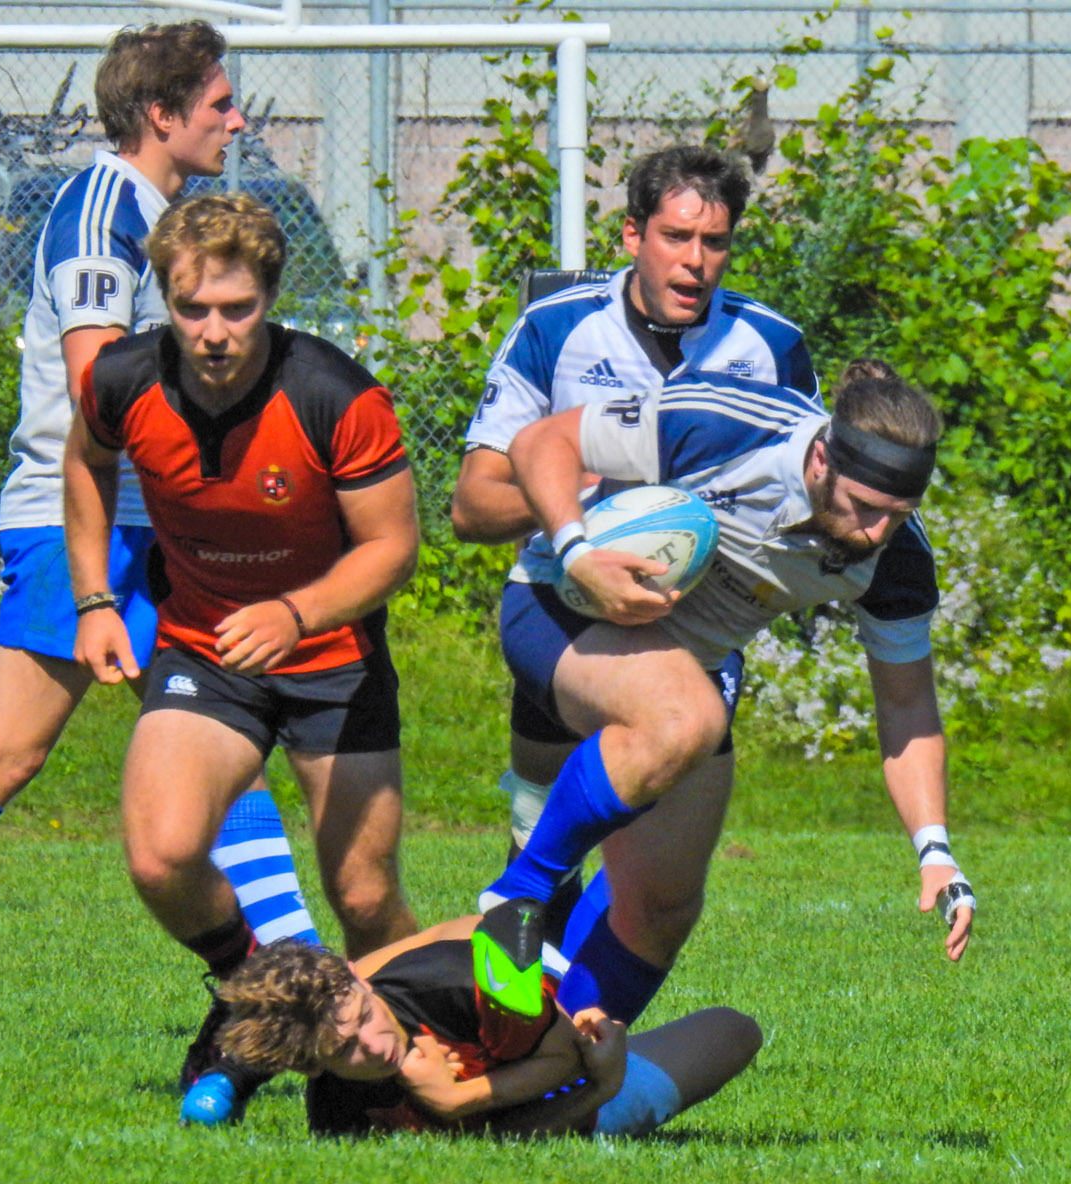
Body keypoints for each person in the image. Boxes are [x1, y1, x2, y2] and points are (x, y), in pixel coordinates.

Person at [0, 21, 324, 1043]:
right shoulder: (105, 211)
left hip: (147, 521)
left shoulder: (157, 208)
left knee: (209, 743)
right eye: (219, 103)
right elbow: (100, 376)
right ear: (161, 114)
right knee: (12, 752)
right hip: (82, 522)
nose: (236, 119)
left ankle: (298, 985)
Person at [65, 191, 422, 1124]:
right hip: (205, 651)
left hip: (333, 657)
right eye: (192, 310)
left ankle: (404, 1073)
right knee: (161, 854)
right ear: (164, 302)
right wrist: (97, 599)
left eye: (237, 309)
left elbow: (393, 548)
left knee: (365, 893)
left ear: (271, 295)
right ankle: (256, 997)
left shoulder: (336, 395)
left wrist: (297, 612)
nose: (214, 332)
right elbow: (86, 463)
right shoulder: (120, 379)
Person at [480, 360, 977, 1027]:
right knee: (687, 715)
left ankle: (552, 1069)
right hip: (562, 605)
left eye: (899, 515)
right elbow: (542, 443)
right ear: (823, 458)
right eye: (864, 508)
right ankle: (519, 897)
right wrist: (577, 554)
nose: (875, 534)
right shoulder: (726, 426)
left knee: (664, 904)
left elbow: (907, 709)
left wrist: (936, 851)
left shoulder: (897, 562)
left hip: (686, 674)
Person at [452, 144, 818, 942]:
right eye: (676, 237)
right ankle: (511, 968)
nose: (695, 261)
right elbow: (473, 507)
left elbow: (806, 492)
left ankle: (578, 1027)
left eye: (713, 243)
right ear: (631, 237)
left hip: (691, 625)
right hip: (562, 597)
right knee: (545, 835)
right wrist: (582, 518)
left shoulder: (772, 348)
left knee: (658, 892)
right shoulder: (556, 328)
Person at [212, 900, 762, 1139]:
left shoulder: (451, 985)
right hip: (574, 1114)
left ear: (360, 980)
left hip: (562, 1057)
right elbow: (502, 1149)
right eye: (344, 1050)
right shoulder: (339, 1108)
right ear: (312, 1068)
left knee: (735, 1028)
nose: (373, 1044)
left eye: (363, 1016)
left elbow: (565, 1058)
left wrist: (459, 1098)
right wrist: (601, 1091)